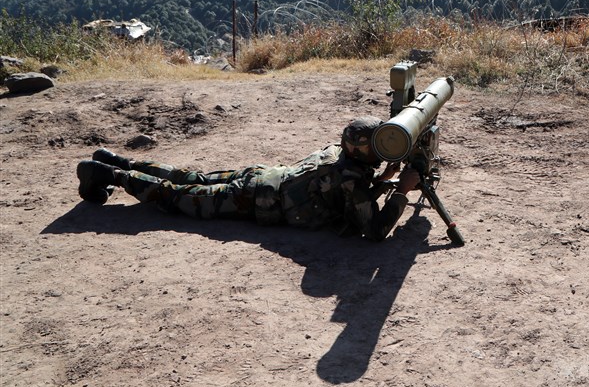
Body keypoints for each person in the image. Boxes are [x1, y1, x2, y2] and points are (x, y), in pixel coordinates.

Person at [75, 116, 421, 241]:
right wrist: (401, 192)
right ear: (361, 150)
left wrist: (383, 178)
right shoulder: (352, 179)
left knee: (189, 177)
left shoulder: (339, 153)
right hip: (253, 199)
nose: (384, 150)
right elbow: (373, 231)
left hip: (259, 176)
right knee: (176, 196)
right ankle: (111, 174)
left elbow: (344, 193)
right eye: (377, 146)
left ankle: (116, 159)